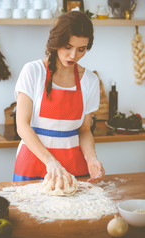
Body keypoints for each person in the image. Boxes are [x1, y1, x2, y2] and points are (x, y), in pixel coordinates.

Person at [13, 11, 105, 189]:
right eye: (68, 47)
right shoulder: (33, 71)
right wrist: (50, 161)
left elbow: (85, 130)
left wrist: (91, 157)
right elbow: (22, 126)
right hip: (34, 162)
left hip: (74, 166)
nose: (73, 56)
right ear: (56, 42)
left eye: (81, 49)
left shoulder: (90, 81)